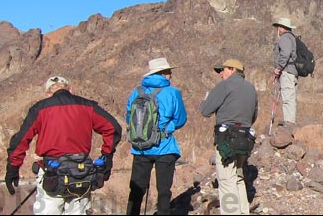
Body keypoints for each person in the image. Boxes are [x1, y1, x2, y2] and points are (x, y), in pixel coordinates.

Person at [5, 76, 122, 215]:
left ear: (48, 94)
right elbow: (113, 128)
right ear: (70, 90)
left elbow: (21, 140)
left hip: (52, 172)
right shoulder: (87, 106)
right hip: (81, 173)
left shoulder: (41, 109)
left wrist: (13, 168)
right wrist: (106, 158)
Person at [125, 58, 188, 215]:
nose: (171, 75)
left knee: (137, 189)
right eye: (169, 72)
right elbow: (180, 119)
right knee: (164, 191)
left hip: (140, 147)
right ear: (162, 73)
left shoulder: (136, 92)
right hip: (165, 146)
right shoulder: (173, 92)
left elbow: (129, 117)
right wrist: (165, 128)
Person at [199, 59, 258, 215]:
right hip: (245, 140)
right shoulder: (251, 88)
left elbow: (205, 111)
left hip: (227, 140)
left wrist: (206, 99)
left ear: (232, 69)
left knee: (226, 180)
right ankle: (243, 211)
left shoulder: (225, 86)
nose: (220, 73)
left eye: (222, 70)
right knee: (238, 176)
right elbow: (254, 116)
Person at [271, 17, 299, 127]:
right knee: (291, 97)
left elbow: (285, 53)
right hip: (293, 72)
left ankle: (289, 122)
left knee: (287, 97)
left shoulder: (285, 38)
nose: (278, 29)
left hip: (287, 71)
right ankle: (290, 120)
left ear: (283, 28)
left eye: (279, 26)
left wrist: (279, 67)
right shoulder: (293, 38)